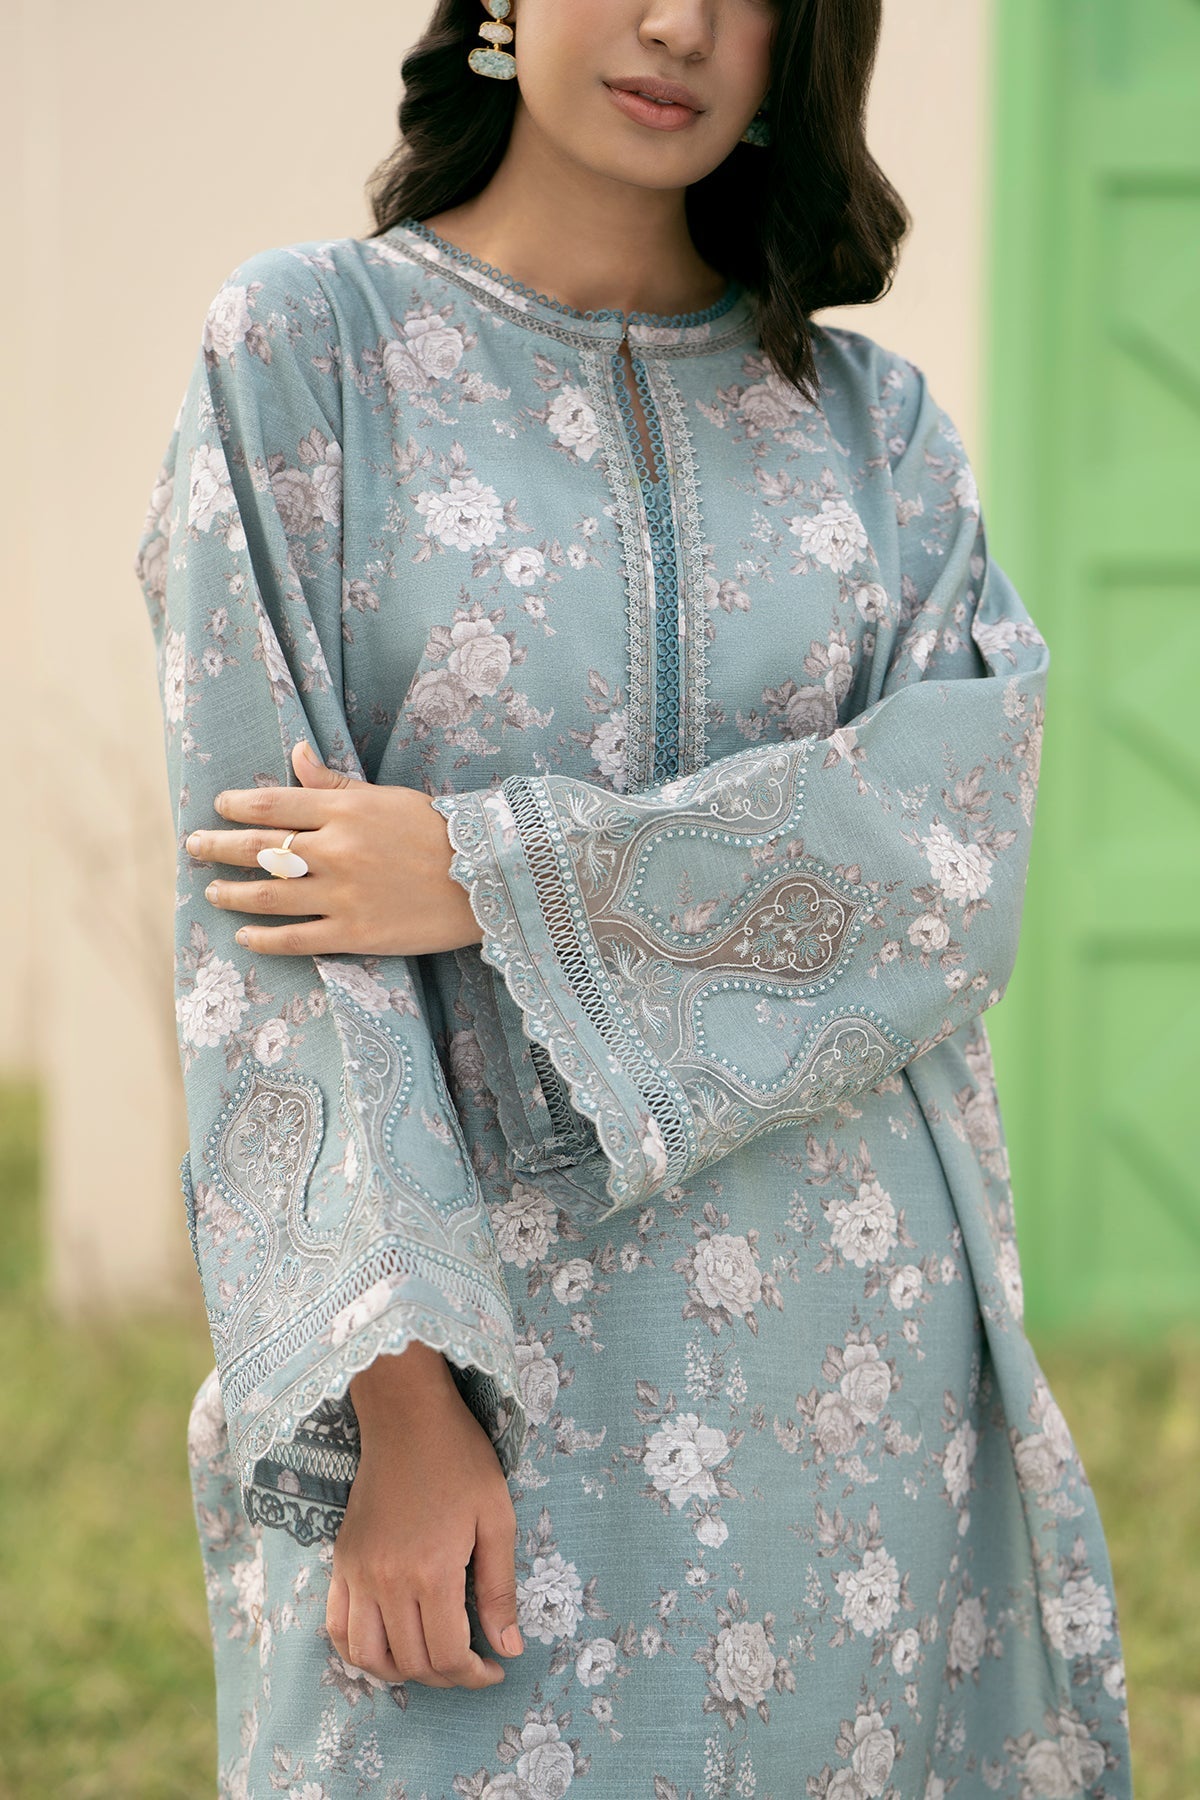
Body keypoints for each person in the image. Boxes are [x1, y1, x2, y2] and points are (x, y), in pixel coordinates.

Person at [134, 0, 1133, 1794]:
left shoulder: (874, 429)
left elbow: (952, 852)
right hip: (478, 1361)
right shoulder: (305, 355)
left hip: (846, 1380)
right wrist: (399, 1403)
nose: (680, 23)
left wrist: (486, 873)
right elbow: (259, 921)